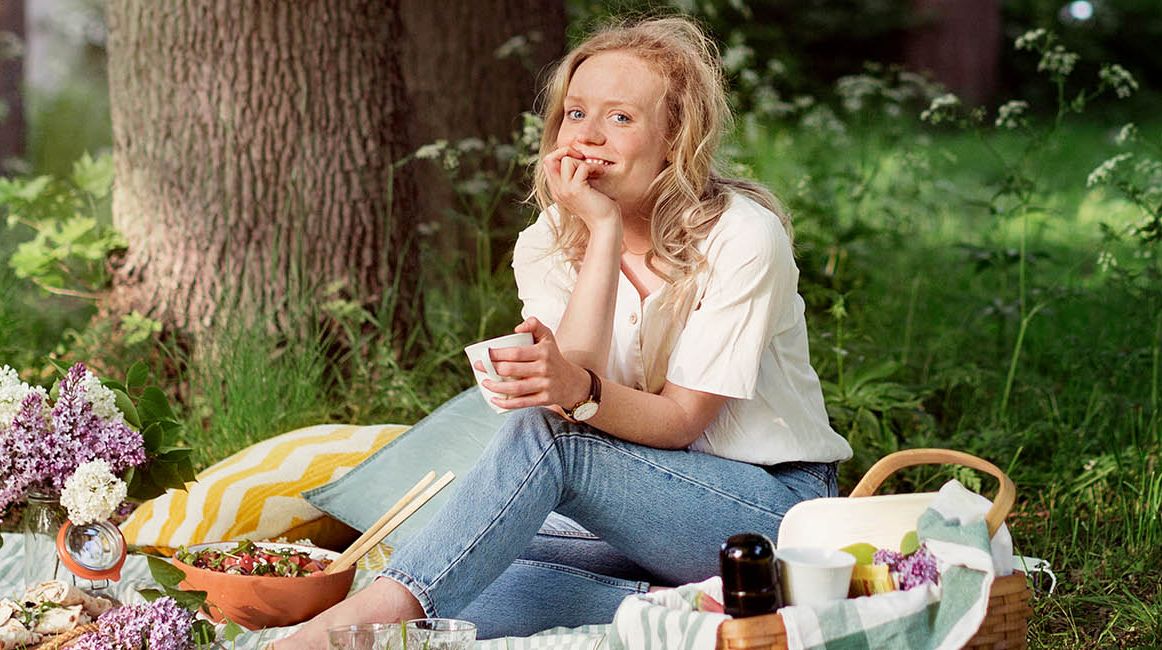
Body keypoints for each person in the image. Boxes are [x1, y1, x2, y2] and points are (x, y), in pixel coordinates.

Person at [275, 16, 851, 648]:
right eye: (575, 113)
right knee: (466, 575)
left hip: (770, 510)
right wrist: (601, 235)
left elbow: (673, 420)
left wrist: (573, 387)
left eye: (621, 119)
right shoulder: (547, 241)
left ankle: (340, 629)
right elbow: (571, 396)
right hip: (644, 500)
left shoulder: (743, 237)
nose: (588, 138)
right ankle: (686, 606)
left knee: (517, 474)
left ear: (675, 138)